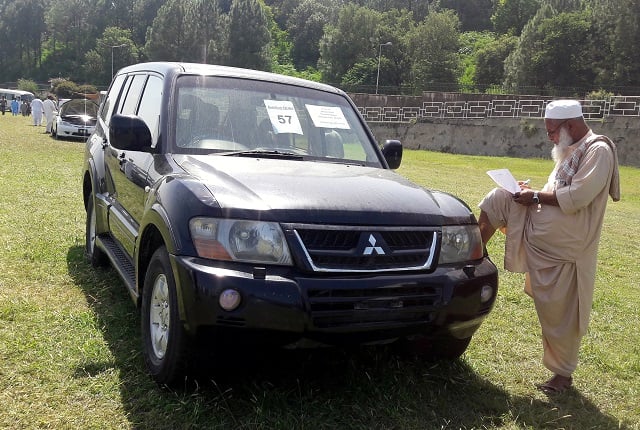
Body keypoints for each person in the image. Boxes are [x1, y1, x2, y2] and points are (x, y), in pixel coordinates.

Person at [477, 99, 620, 394]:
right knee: (497, 198)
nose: (550, 137)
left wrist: (536, 197)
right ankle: (473, 255)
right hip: (542, 232)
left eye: (552, 131)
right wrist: (527, 192)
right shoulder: (570, 149)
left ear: (570, 125)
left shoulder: (598, 151)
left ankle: (563, 376)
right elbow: (553, 191)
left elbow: (577, 196)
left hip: (568, 247)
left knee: (561, 312)